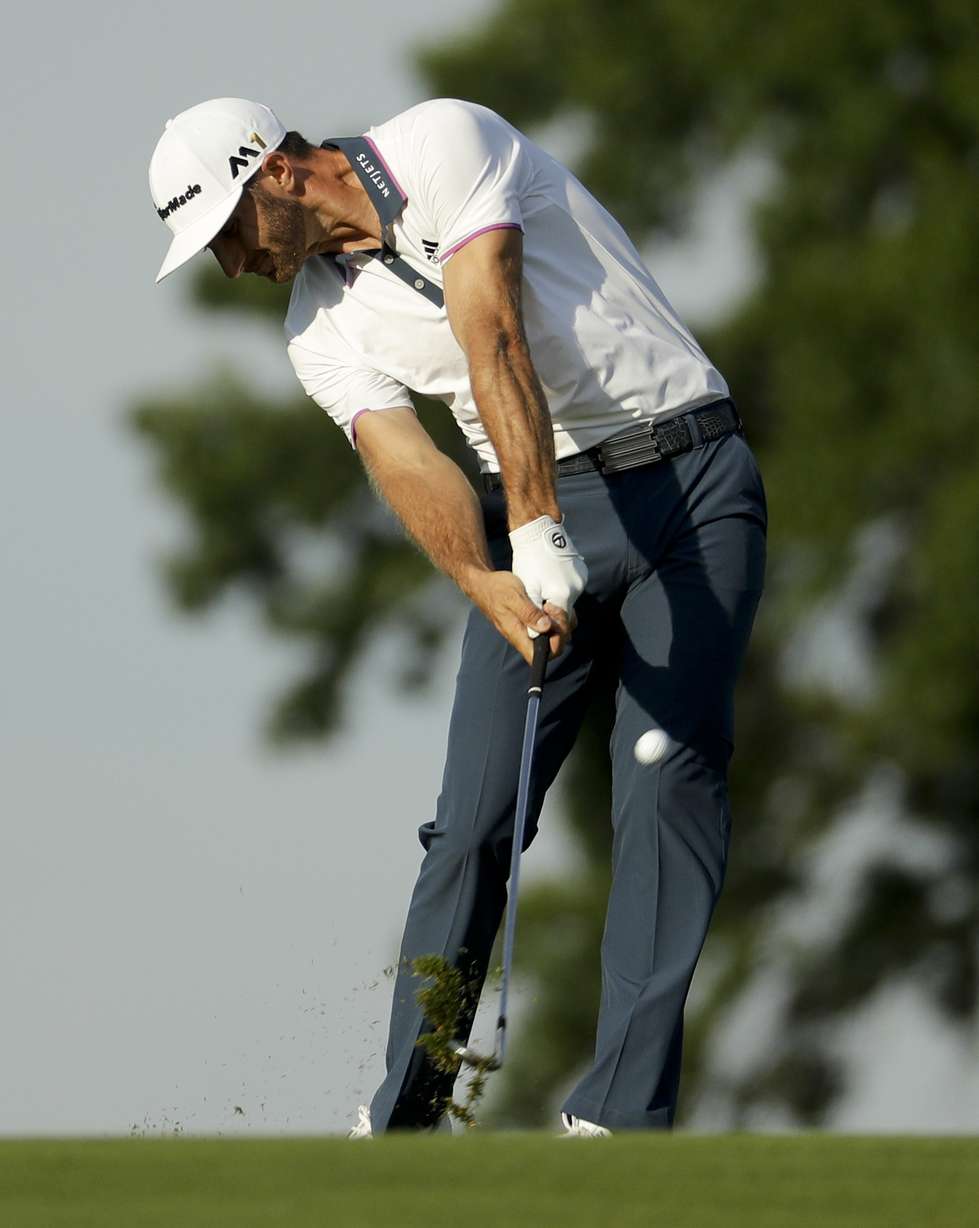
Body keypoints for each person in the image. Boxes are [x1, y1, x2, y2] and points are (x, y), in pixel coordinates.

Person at [149, 95, 767, 1136]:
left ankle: (620, 1117)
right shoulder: (316, 326)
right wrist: (488, 579)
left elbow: (492, 326)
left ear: (277, 174)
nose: (229, 267)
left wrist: (533, 527)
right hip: (533, 515)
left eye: (226, 233)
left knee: (667, 771)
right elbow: (406, 458)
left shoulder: (442, 141)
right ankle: (405, 1120)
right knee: (473, 820)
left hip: (690, 481)